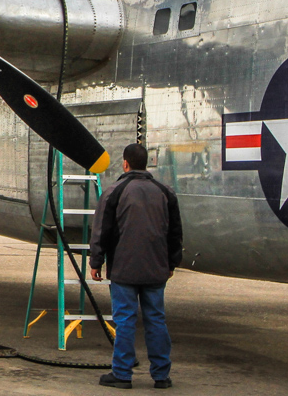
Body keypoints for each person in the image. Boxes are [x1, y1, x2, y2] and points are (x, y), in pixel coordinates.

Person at [89, 143, 183, 389]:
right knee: (156, 320)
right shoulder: (165, 192)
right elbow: (175, 232)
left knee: (125, 320)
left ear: (125, 163)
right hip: (156, 268)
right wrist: (172, 262)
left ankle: (122, 374)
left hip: (124, 269)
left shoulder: (114, 192)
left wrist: (96, 262)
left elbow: (102, 231)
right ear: (147, 163)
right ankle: (161, 376)